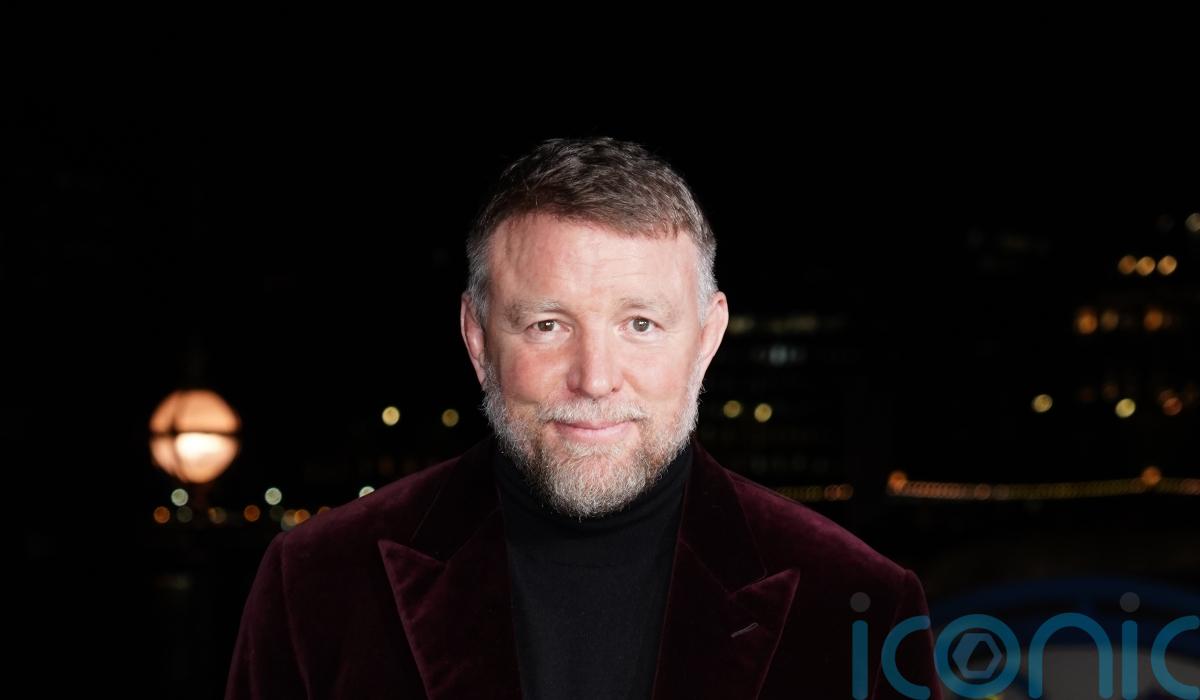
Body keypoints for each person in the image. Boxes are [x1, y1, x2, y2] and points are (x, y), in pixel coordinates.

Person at [226, 136, 942, 699]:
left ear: (706, 340)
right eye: (547, 325)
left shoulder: (862, 603)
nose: (595, 378)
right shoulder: (314, 583)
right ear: (478, 339)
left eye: (640, 324)